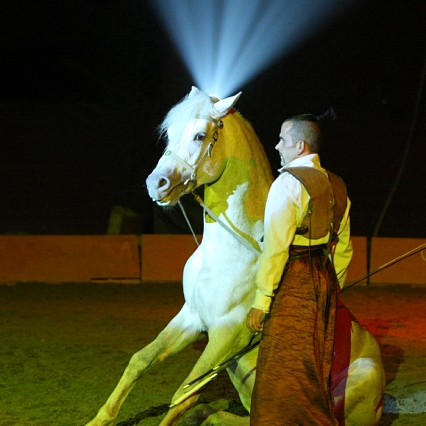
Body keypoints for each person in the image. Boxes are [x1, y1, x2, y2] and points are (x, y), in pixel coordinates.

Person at [246, 113, 353, 425]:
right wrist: (334, 286)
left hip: (294, 283)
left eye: (283, 140)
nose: (277, 145)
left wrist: (262, 300)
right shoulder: (338, 185)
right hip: (323, 281)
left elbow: (276, 248)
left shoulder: (288, 184)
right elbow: (343, 247)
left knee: (282, 370)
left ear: (300, 146)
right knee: (315, 364)